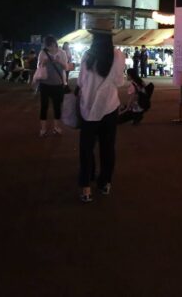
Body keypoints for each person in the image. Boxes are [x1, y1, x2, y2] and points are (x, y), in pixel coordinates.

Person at [77, 24, 126, 203]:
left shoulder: (87, 56)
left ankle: (85, 187)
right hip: (109, 107)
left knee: (86, 148)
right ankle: (105, 183)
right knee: (107, 147)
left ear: (95, 38)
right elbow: (120, 82)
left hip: (88, 109)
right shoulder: (118, 55)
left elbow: (81, 82)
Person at [36, 35, 69, 137]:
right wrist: (43, 63)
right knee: (44, 107)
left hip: (58, 84)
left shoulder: (62, 53)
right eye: (46, 46)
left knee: (57, 107)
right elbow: (38, 67)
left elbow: (66, 67)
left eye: (49, 46)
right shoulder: (42, 52)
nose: (48, 48)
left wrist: (59, 61)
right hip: (45, 83)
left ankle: (56, 127)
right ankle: (43, 129)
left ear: (54, 44)